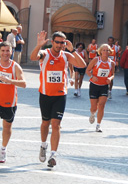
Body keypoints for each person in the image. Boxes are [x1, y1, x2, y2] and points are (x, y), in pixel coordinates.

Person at [30, 30, 86, 168]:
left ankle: (53, 155)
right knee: (45, 123)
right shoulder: (45, 54)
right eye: (58, 42)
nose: (60, 45)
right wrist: (38, 45)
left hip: (60, 95)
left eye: (63, 42)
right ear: (52, 42)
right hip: (45, 94)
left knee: (56, 125)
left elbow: (82, 64)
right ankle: (43, 145)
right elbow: (33, 57)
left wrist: (72, 50)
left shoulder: (66, 55)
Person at [86, 44, 115, 133]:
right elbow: (87, 70)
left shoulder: (111, 63)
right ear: (100, 51)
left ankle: (98, 125)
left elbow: (113, 74)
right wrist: (92, 77)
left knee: (101, 106)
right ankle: (92, 113)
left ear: (110, 52)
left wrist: (110, 78)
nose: (105, 52)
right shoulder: (96, 60)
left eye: (107, 50)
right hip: (94, 85)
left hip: (104, 86)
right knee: (94, 107)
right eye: (104, 50)